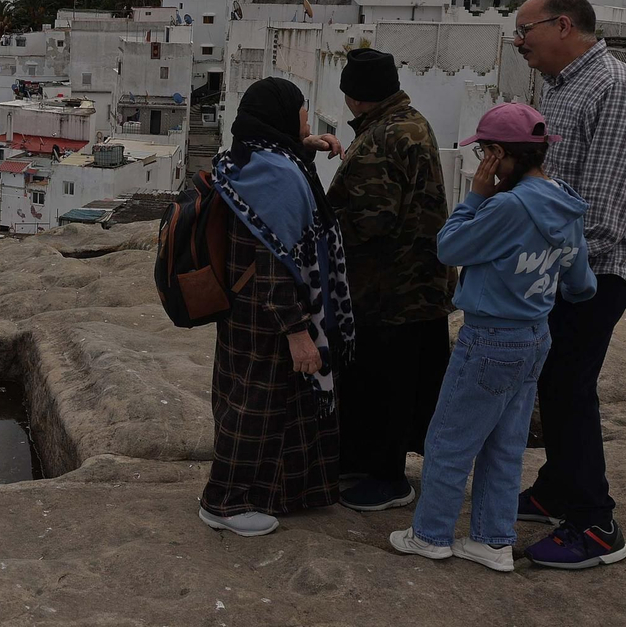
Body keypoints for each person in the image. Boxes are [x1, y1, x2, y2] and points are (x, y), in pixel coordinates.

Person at [391, 104, 595, 572]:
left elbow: (449, 247)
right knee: (505, 445)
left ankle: (430, 535)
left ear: (500, 154)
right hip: (534, 337)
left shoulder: (505, 205)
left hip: (489, 339)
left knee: (448, 442)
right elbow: (582, 284)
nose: (481, 159)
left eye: (484, 152)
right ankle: (492, 540)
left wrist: (476, 196)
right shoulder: (565, 201)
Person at [509, 0, 626, 569]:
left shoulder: (617, 89)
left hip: (602, 265)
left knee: (570, 384)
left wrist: (536, 267)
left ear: (564, 25)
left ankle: (596, 524)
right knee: (554, 377)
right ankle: (556, 488)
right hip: (563, 261)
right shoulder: (563, 86)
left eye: (525, 30)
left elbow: (601, 215)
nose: (518, 42)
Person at [198, 78, 356, 537]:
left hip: (244, 311)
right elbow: (274, 263)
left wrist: (302, 146)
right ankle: (224, 501)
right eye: (303, 113)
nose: (307, 120)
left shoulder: (250, 157)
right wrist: (297, 332)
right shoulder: (279, 177)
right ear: (283, 116)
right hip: (268, 315)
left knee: (262, 403)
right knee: (256, 407)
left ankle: (272, 493)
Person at [323, 48, 455, 512]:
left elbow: (371, 221)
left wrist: (322, 224)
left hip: (394, 289)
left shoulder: (384, 137)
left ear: (353, 96)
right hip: (418, 283)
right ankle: (365, 461)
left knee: (389, 384)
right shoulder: (408, 121)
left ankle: (388, 478)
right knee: (392, 381)